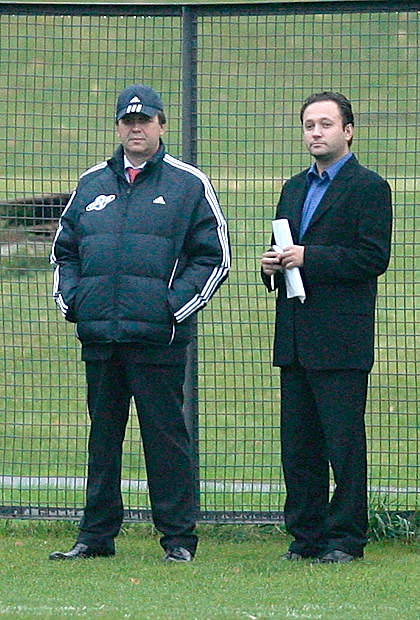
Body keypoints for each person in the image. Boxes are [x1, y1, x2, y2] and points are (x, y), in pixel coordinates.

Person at [49, 84, 230, 562]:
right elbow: (65, 251)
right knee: (102, 440)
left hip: (158, 340)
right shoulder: (92, 183)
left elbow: (214, 258)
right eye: (128, 121)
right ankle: (95, 536)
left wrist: (171, 309)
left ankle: (178, 539)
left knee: (166, 440)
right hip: (100, 337)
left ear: (161, 125)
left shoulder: (188, 184)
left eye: (144, 120)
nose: (136, 128)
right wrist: (75, 303)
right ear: (117, 128)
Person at [261, 92, 392, 563]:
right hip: (295, 338)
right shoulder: (293, 187)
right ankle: (306, 538)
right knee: (298, 448)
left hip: (341, 341)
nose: (316, 132)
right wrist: (271, 266)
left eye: (325, 124)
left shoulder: (370, 188)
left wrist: (308, 257)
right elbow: (282, 249)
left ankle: (346, 539)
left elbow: (372, 257)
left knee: (343, 446)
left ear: (348, 131)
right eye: (309, 125)